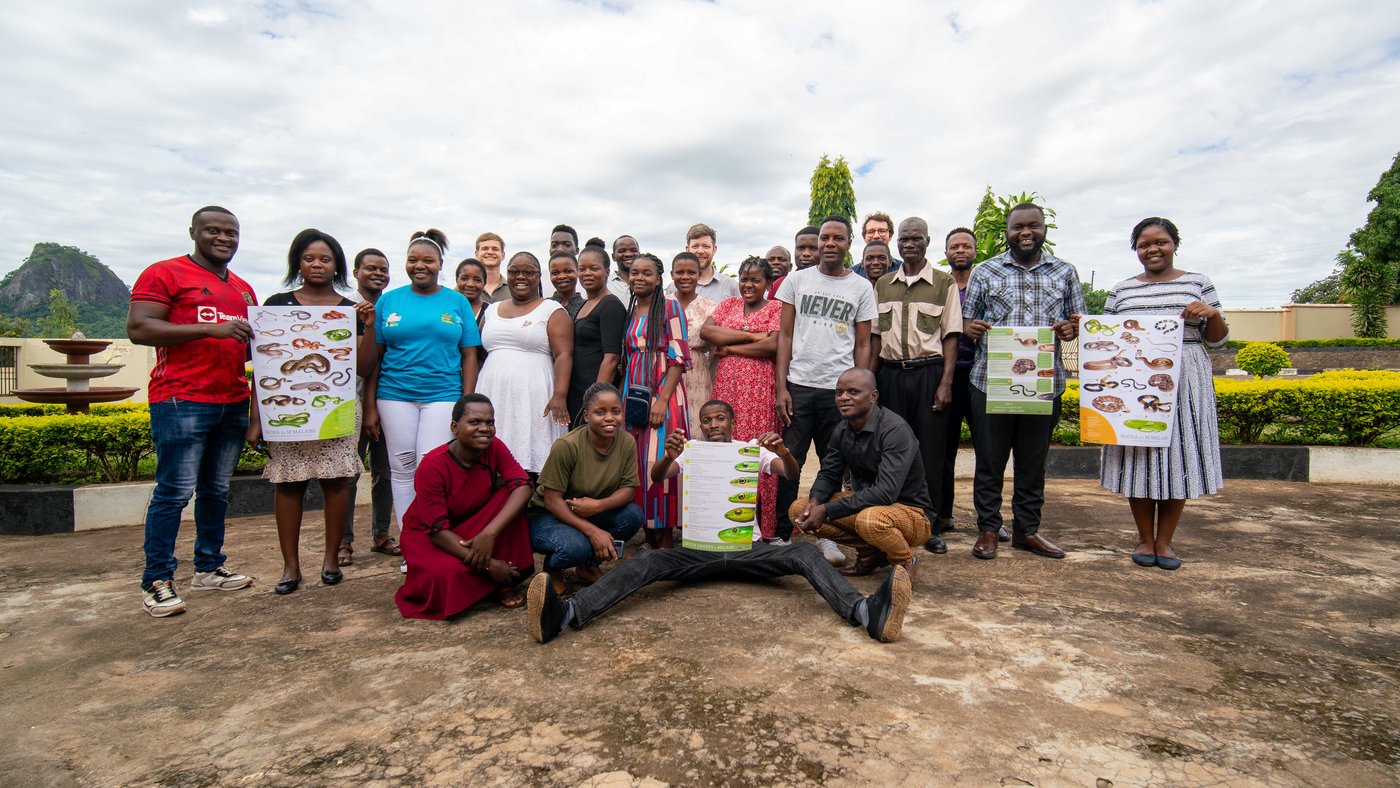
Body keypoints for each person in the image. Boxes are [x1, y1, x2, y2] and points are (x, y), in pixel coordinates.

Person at [523, 398, 915, 645]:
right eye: (707, 420)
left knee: (804, 556)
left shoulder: (751, 451)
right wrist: (667, 454)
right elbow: (659, 478)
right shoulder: (689, 450)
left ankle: (866, 613)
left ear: (731, 422)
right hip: (698, 551)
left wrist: (785, 450)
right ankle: (568, 614)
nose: (713, 425)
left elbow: (787, 472)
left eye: (720, 419)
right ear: (701, 424)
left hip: (750, 549)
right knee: (647, 562)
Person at [127, 205, 257, 617]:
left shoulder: (242, 289)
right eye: (214, 231)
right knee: (174, 492)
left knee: (216, 490)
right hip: (181, 399)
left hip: (232, 399)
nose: (224, 238)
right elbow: (139, 328)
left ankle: (209, 566)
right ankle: (157, 578)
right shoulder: (164, 273)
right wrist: (209, 328)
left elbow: (261, 347)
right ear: (193, 232)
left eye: (231, 233)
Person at [1100, 218, 1228, 570]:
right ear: (1135, 250)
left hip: (1185, 375)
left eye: (1160, 242)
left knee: (1178, 458)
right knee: (1138, 457)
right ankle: (1144, 538)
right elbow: (1107, 336)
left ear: (1174, 244)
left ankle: (1165, 542)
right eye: (1144, 244)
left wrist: (1211, 313)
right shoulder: (1122, 290)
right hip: (1134, 379)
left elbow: (1218, 339)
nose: (1152, 249)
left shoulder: (1197, 283)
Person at [253, 229, 375, 594]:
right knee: (288, 484)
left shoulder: (348, 310)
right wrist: (256, 418)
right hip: (286, 411)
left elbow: (365, 366)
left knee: (337, 482)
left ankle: (331, 559)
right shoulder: (275, 305)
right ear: (297, 263)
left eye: (325, 258)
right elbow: (263, 369)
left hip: (334, 408)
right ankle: (290, 565)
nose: (317, 264)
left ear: (337, 264)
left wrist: (367, 327)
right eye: (309, 258)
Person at [962, 203, 1085, 560]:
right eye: (1018, 227)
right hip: (991, 381)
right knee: (990, 460)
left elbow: (1078, 323)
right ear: (1007, 232)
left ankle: (1026, 530)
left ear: (1045, 229)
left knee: (1032, 463)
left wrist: (1071, 328)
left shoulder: (1064, 272)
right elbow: (967, 321)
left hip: (1044, 383)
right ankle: (987, 529)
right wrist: (971, 327)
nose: (1025, 233)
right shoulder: (986, 271)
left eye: (1033, 226)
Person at [368, 229, 482, 563]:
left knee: (430, 470)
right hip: (394, 396)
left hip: (443, 395)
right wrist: (372, 405)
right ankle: (412, 545)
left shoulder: (456, 301)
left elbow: (470, 354)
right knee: (401, 470)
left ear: (440, 264)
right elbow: (376, 357)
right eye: (413, 260)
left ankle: (438, 540)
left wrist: (466, 401)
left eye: (428, 260)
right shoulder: (389, 300)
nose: (420, 266)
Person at [774, 215, 877, 543]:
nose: (830, 244)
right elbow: (785, 336)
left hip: (838, 390)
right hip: (800, 385)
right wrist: (781, 387)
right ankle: (781, 534)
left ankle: (828, 535)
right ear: (818, 243)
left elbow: (863, 344)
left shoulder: (861, 287)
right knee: (791, 458)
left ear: (849, 244)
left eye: (838, 238)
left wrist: (858, 392)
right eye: (825, 238)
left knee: (834, 463)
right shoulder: (797, 281)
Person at [870, 217, 964, 556]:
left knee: (930, 454)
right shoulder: (882, 284)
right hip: (891, 376)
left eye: (916, 238)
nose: (910, 244)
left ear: (927, 241)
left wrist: (946, 382)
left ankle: (930, 526)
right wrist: (870, 381)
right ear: (898, 243)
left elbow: (952, 335)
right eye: (905, 239)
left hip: (929, 374)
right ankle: (894, 521)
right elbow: (876, 338)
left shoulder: (943, 283)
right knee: (892, 453)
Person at [395, 394, 535, 618]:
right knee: (448, 575)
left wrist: (489, 533)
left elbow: (523, 486)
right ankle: (496, 576)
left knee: (509, 498)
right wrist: (488, 565)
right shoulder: (432, 465)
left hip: (474, 526)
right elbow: (437, 533)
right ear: (454, 427)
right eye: (475, 422)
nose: (484, 429)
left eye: (490, 423)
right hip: (431, 536)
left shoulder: (495, 447)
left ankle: (499, 582)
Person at [789, 368, 933, 584]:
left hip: (911, 513)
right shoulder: (843, 429)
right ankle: (870, 553)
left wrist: (827, 510)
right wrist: (815, 501)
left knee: (870, 520)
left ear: (873, 396)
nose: (844, 398)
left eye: (853, 392)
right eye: (839, 393)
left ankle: (906, 559)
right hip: (869, 506)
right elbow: (829, 472)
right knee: (798, 510)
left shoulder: (894, 430)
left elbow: (885, 492)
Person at [933, 228, 1010, 547]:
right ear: (946, 251)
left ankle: (989, 522)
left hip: (985, 378)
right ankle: (942, 514)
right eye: (954, 246)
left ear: (976, 251)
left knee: (989, 453)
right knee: (942, 452)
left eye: (966, 245)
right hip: (947, 377)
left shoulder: (989, 283)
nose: (960, 250)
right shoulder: (940, 285)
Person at [528, 382, 644, 593]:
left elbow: (628, 490)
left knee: (633, 515)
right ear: (586, 416)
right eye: (600, 412)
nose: (610, 418)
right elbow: (551, 500)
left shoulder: (626, 441)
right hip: (550, 515)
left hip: (591, 511)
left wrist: (598, 506)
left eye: (615, 411)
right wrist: (593, 531)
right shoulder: (567, 446)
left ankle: (588, 565)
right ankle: (553, 567)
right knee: (575, 547)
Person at [701, 256, 783, 541]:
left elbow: (773, 345)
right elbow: (708, 332)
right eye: (744, 279)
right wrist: (750, 335)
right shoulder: (728, 305)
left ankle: (762, 529)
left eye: (756, 280)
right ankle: (722, 523)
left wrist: (731, 346)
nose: (748, 285)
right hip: (727, 388)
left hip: (759, 390)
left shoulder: (776, 308)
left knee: (756, 449)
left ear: (768, 284)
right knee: (726, 448)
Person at [476, 251, 572, 474]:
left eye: (528, 272)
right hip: (493, 391)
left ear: (539, 276)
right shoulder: (491, 310)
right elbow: (480, 354)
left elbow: (564, 355)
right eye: (513, 272)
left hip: (535, 393)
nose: (520, 277)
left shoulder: (552, 310)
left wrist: (559, 395)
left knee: (530, 452)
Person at [622, 253, 692, 548]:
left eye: (646, 273)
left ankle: (665, 538)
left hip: (664, 390)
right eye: (634, 273)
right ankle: (649, 535)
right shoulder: (634, 309)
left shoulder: (670, 307)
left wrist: (662, 400)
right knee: (637, 463)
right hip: (634, 394)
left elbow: (678, 356)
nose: (639, 278)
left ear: (659, 278)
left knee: (661, 460)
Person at [340, 248, 398, 566]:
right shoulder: (342, 308)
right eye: (370, 268)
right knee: (348, 473)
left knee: (385, 472)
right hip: (351, 400)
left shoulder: (390, 307)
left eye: (383, 269)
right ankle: (343, 541)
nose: (377, 273)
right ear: (356, 271)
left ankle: (381, 534)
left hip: (386, 398)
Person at [568, 243, 627, 426]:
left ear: (607, 271)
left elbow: (612, 358)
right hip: (577, 390)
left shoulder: (611, 306)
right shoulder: (585, 304)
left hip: (593, 392)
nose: (587, 273)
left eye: (594, 268)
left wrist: (595, 400)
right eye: (582, 269)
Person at [671, 252, 718, 437]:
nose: (685, 277)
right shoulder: (662, 304)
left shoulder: (711, 307)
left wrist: (715, 382)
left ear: (699, 275)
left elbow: (715, 350)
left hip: (698, 372)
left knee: (698, 429)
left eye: (691, 272)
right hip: (667, 372)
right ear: (672, 274)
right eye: (679, 272)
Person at [681, 223, 740, 302]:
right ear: (687, 249)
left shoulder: (731, 287)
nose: (700, 251)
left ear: (714, 249)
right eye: (695, 246)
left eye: (706, 246)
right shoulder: (674, 288)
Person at [768, 226, 820, 299]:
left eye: (813, 248)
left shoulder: (835, 283)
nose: (806, 253)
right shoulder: (780, 284)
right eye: (800, 248)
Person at [853, 212, 897, 280]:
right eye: (871, 232)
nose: (876, 236)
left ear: (890, 236)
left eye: (882, 231)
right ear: (864, 237)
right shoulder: (853, 274)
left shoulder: (903, 270)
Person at [454, 257, 491, 330]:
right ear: (457, 280)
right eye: (464, 278)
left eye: (477, 280)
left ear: (484, 283)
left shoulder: (491, 312)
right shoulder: (447, 308)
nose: (470, 284)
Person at [547, 251, 586, 318]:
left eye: (568, 271)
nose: (562, 276)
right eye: (555, 273)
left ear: (577, 272)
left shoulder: (587, 306)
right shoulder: (544, 306)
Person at [475, 232, 508, 302]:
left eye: (495, 249)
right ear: (476, 254)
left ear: (503, 255)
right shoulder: (462, 290)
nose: (490, 252)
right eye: (485, 248)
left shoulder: (514, 291)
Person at [607, 234, 639, 302]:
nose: (628, 254)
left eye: (633, 250)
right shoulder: (605, 285)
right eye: (622, 251)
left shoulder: (648, 284)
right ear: (613, 257)